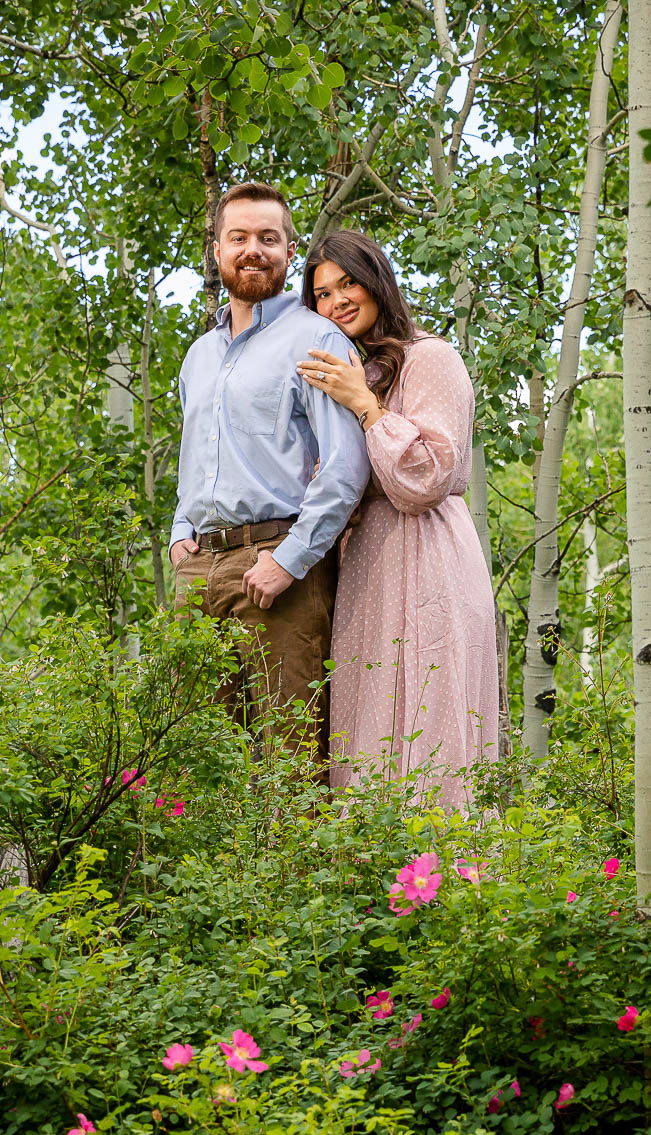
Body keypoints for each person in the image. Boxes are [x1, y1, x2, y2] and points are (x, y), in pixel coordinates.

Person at [295, 230, 499, 808]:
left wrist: (366, 406)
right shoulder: (347, 370)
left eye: (348, 283)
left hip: (429, 553)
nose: (337, 301)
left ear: (377, 281)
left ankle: (449, 879)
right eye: (322, 294)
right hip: (366, 564)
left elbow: (428, 476)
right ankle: (370, 877)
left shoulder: (429, 356)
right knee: (367, 712)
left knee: (429, 710)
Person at [169, 183, 371, 761]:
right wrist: (181, 531)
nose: (252, 249)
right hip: (197, 572)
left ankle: (301, 858)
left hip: (277, 566)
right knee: (193, 758)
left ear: (289, 252)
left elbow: (345, 464)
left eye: (268, 238)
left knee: (293, 758)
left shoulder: (316, 337)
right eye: (239, 237)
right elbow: (195, 455)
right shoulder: (198, 356)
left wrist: (290, 560)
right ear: (216, 250)